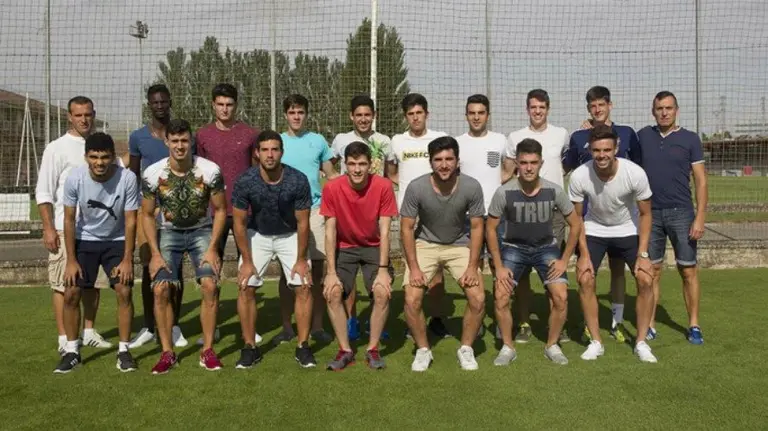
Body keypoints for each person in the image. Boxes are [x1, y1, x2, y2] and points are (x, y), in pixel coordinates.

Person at [140, 119, 227, 374]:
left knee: (210, 285)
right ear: (167, 142)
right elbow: (146, 215)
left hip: (202, 231)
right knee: (160, 290)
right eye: (175, 141)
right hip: (169, 233)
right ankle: (168, 353)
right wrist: (154, 253)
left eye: (184, 141)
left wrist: (212, 248)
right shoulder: (152, 173)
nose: (180, 146)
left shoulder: (210, 170)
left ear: (192, 142)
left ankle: (207, 350)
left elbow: (221, 209)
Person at [486, 138, 583, 366]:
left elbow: (576, 224)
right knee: (500, 296)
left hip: (546, 249)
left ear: (541, 163)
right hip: (513, 249)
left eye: (533, 162)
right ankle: (508, 347)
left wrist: (564, 260)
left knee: (560, 295)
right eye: (523, 163)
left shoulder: (554, 190)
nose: (528, 168)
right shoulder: (504, 192)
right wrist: (499, 267)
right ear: (516, 164)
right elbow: (490, 228)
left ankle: (552, 344)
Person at [568, 125, 658, 363]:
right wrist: (584, 254)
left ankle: (640, 341)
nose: (602, 155)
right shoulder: (579, 175)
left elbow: (646, 215)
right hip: (594, 230)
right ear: (590, 149)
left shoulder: (634, 173)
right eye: (597, 150)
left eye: (607, 149)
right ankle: (596, 341)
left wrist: (644, 254)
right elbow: (577, 218)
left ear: (616, 147)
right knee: (585, 277)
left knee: (645, 279)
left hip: (628, 229)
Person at [54, 133, 139, 373]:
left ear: (113, 157)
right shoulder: (75, 178)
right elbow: (69, 220)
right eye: (94, 157)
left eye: (104, 157)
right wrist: (70, 260)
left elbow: (132, 220)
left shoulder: (127, 178)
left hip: (117, 240)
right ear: (86, 157)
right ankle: (72, 351)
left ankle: (124, 351)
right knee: (71, 291)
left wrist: (127, 259)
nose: (99, 162)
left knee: (124, 290)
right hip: (85, 240)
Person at [563, 86, 642, 343]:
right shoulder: (578, 137)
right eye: (593, 106)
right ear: (588, 109)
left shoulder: (627, 134)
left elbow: (637, 168)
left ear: (610, 105)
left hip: (622, 219)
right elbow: (569, 168)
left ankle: (617, 322)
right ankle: (591, 326)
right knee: (588, 273)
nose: (597, 109)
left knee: (618, 271)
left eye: (602, 105)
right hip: (589, 221)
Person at [231, 130, 317, 369]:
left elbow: (303, 222)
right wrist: (246, 260)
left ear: (282, 152)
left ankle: (303, 346)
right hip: (257, 234)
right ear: (257, 153)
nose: (270, 154)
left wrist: (301, 259)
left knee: (303, 286)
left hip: (290, 235)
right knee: (246, 285)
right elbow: (238, 223)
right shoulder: (245, 180)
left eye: (275, 149)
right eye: (265, 150)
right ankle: (250, 347)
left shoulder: (297, 179)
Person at [400, 136, 486, 371]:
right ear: (430, 162)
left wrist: (472, 265)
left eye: (449, 159)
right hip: (425, 244)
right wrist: (415, 267)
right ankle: (423, 350)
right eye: (438, 159)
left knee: (478, 298)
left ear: (458, 161)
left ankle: (466, 349)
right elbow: (407, 228)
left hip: (459, 245)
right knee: (411, 299)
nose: (444, 164)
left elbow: (478, 227)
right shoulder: (417, 187)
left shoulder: (472, 186)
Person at [36, 96, 111, 355]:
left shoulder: (100, 145)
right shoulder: (56, 148)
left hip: (96, 230)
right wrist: (48, 228)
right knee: (63, 285)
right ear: (69, 116)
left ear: (94, 114)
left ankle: (89, 332)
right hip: (62, 227)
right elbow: (44, 193)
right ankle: (63, 336)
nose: (84, 119)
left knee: (92, 284)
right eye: (78, 115)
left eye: (88, 114)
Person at [636, 91, 707, 344]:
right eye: (659, 108)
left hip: (682, 213)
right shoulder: (643, 136)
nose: (664, 112)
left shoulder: (690, 139)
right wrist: (593, 126)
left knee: (687, 270)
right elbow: (614, 146)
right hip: (650, 214)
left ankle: (694, 324)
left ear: (677, 110)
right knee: (652, 271)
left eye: (668, 108)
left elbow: (700, 180)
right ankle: (651, 324)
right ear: (653, 111)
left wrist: (699, 217)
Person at [195, 83, 262, 347]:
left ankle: (249, 327)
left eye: (229, 104)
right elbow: (198, 173)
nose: (225, 109)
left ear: (236, 105)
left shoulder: (249, 134)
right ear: (213, 104)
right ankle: (213, 327)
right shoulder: (202, 135)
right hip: (213, 213)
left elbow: (258, 171)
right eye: (220, 104)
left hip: (244, 212)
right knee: (211, 271)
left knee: (249, 267)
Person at [321, 142, 398, 370]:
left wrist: (383, 270)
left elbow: (385, 231)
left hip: (373, 247)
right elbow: (330, 230)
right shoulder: (332, 188)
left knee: (382, 292)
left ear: (370, 165)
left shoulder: (383, 186)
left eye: (362, 164)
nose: (357, 169)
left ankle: (372, 350)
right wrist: (331, 273)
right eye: (352, 164)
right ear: (344, 164)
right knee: (333, 292)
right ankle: (345, 350)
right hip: (344, 248)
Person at [504, 89, 570, 343]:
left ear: (548, 109)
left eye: (542, 107)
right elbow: (508, 172)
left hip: (552, 211)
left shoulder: (561, 135)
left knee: (552, 269)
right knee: (520, 272)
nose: (537, 111)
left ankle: (557, 324)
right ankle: (523, 323)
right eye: (533, 107)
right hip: (521, 209)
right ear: (527, 109)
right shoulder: (515, 137)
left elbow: (567, 163)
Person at [128, 84, 190, 349]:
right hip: (149, 213)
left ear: (170, 102)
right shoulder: (138, 137)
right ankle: (148, 327)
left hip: (177, 212)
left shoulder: (181, 135)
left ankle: (174, 325)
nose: (160, 106)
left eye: (164, 101)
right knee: (148, 268)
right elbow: (132, 175)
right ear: (149, 105)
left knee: (175, 269)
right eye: (155, 102)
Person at [388, 93, 451, 339]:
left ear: (427, 114)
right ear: (406, 117)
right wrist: (407, 191)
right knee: (412, 269)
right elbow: (392, 172)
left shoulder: (439, 138)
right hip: (408, 215)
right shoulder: (397, 141)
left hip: (436, 213)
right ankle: (413, 318)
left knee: (436, 271)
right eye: (411, 114)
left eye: (419, 113)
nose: (415, 118)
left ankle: (436, 318)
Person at [330, 95, 393, 341]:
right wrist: (336, 180)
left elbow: (388, 172)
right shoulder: (341, 140)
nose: (363, 119)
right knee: (347, 281)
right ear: (351, 116)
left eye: (368, 115)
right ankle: (351, 320)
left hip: (374, 206)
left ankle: (378, 323)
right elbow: (329, 163)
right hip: (349, 207)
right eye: (359, 115)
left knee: (376, 279)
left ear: (373, 116)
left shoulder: (383, 141)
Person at [277, 94, 338, 345]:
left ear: (306, 114)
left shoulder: (318, 141)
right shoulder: (277, 141)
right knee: (286, 273)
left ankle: (317, 326)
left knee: (317, 269)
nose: (296, 117)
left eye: (300, 112)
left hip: (314, 211)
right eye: (292, 112)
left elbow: (331, 174)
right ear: (285, 115)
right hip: (285, 213)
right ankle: (286, 326)